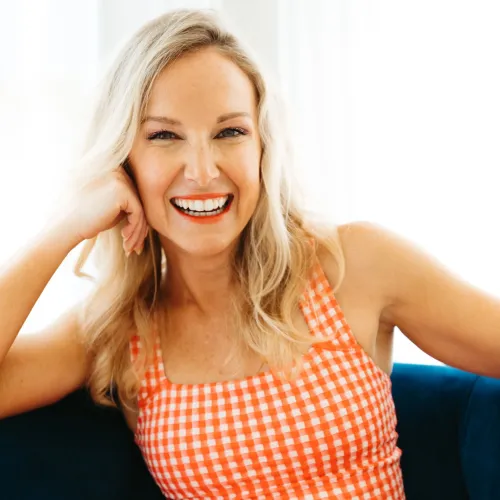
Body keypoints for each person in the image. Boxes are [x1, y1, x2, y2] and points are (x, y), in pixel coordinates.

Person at [1, 8, 499, 500]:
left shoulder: (354, 266)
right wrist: (64, 227)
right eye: (164, 136)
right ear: (123, 161)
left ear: (263, 147)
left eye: (230, 132)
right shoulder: (120, 327)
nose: (202, 170)